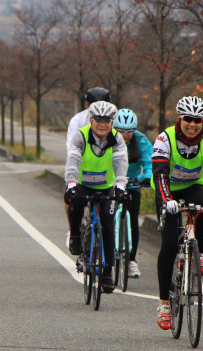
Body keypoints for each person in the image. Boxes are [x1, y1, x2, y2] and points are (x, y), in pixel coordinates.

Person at [152, 96, 203, 330]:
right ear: (180, 119)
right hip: (167, 188)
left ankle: (200, 253)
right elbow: (160, 172)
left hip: (194, 186)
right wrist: (166, 200)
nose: (192, 124)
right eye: (188, 119)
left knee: (201, 208)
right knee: (170, 242)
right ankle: (163, 304)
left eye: (198, 120)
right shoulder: (164, 138)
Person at [64, 100, 128, 294]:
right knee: (75, 203)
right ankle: (76, 234)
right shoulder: (80, 136)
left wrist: (120, 186)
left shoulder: (117, 139)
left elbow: (120, 163)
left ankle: (107, 273)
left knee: (108, 226)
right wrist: (71, 184)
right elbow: (73, 160)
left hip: (107, 186)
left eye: (107, 120)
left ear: (112, 122)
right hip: (83, 184)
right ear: (90, 120)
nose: (102, 124)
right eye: (98, 119)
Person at [64, 87, 111, 248]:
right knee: (72, 196)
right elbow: (71, 149)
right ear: (86, 105)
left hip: (104, 169)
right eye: (93, 105)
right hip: (83, 166)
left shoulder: (113, 120)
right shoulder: (77, 121)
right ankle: (73, 228)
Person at [113, 108, 153, 278]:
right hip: (113, 182)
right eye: (121, 131)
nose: (125, 135)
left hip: (133, 183)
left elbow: (149, 161)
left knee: (133, 221)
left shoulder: (141, 140)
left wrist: (147, 177)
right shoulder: (109, 139)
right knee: (108, 217)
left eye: (129, 131)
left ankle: (131, 260)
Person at [66, 87, 111, 153]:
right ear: (87, 105)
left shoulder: (115, 120)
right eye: (95, 106)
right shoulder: (77, 121)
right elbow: (71, 147)